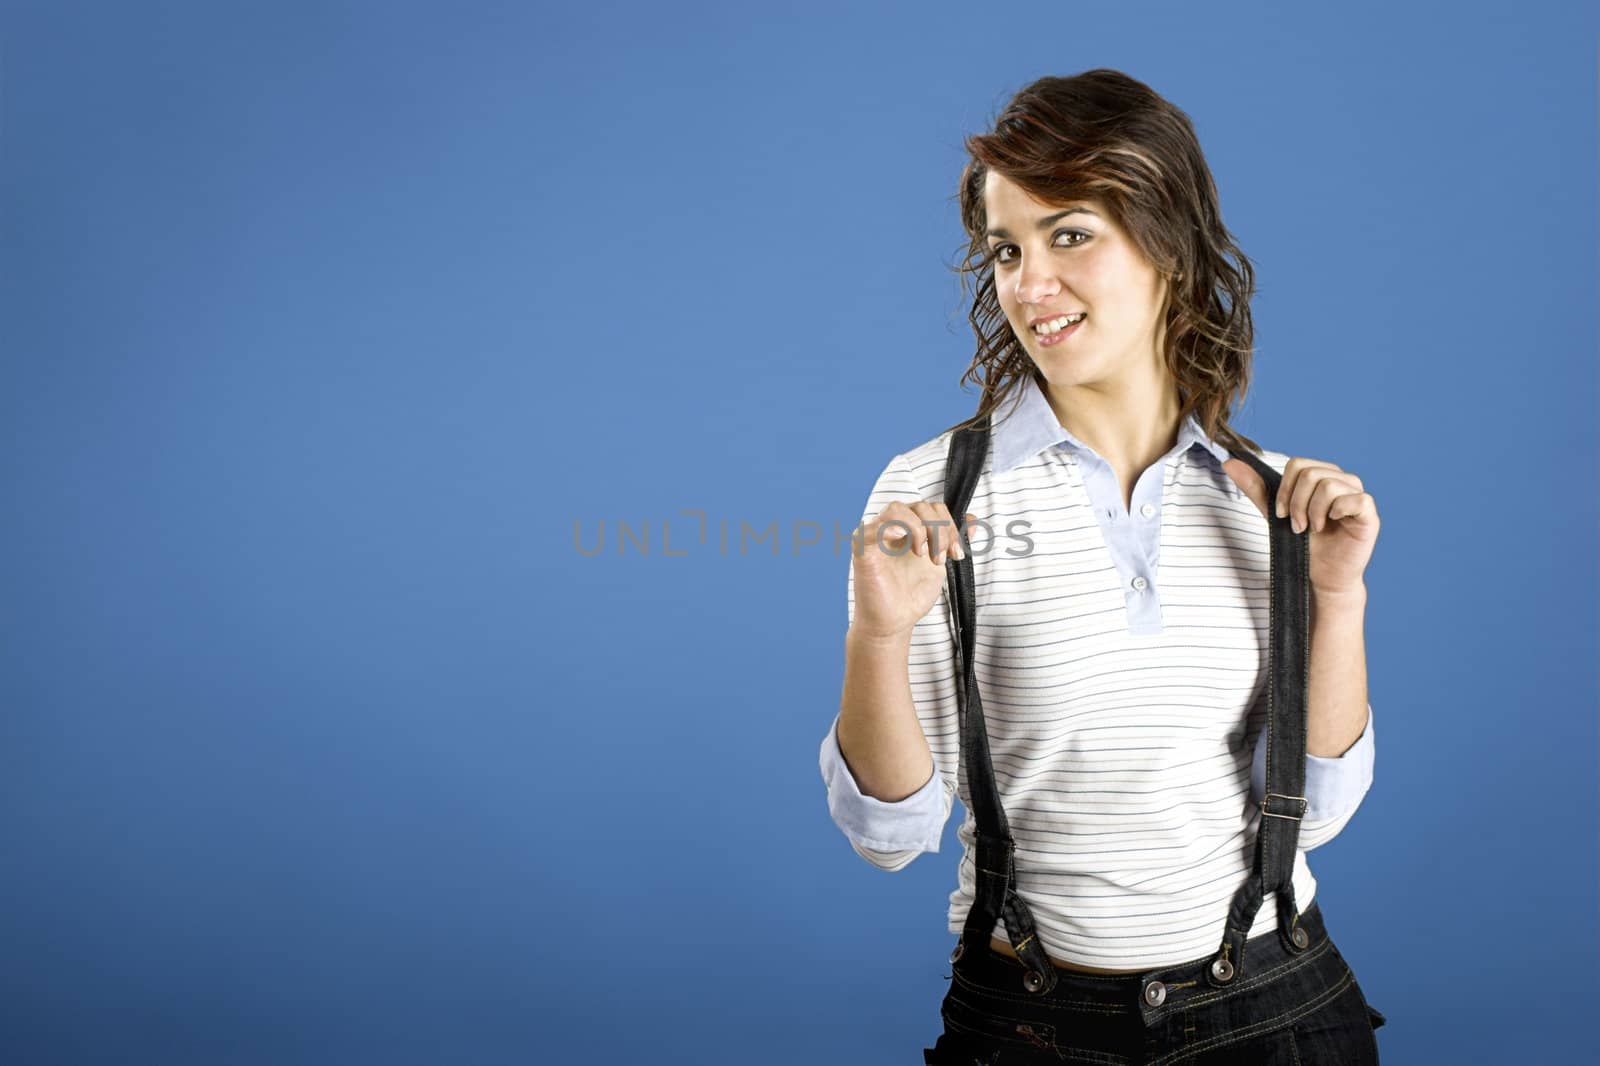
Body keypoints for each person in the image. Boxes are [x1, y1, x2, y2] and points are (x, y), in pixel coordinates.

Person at [818, 69, 1386, 1063]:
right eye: (1007, 249)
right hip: (1030, 1027)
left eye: (1069, 234)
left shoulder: (1279, 496)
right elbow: (889, 833)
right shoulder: (933, 494)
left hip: (1278, 1014)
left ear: (1164, 243)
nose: (1029, 284)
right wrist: (877, 633)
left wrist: (1333, 601)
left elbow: (1318, 812)